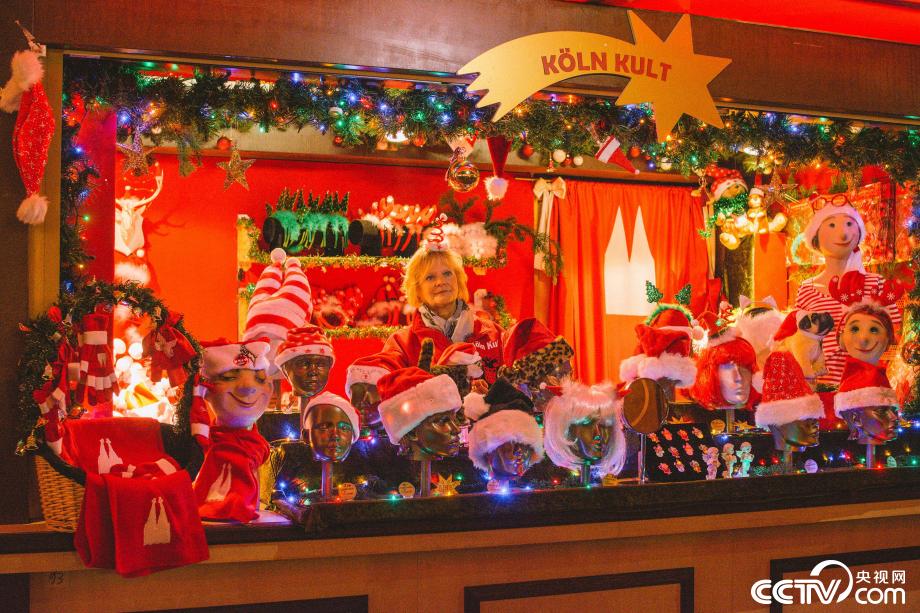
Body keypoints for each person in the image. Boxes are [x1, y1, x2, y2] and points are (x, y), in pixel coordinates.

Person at [794, 193, 901, 385]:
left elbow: (894, 338)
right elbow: (799, 340)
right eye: (831, 225)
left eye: (849, 224)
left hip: (865, 386)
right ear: (816, 237)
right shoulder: (807, 289)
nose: (843, 233)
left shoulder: (876, 284)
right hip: (821, 387)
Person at [382, 245, 504, 383]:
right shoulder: (401, 343)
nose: (440, 282)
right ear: (417, 289)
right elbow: (386, 386)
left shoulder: (494, 333)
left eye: (447, 273)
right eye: (430, 277)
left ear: (458, 279)